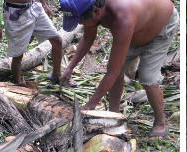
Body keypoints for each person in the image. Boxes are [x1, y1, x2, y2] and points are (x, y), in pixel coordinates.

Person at [58, 0, 177, 137]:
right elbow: (87, 38)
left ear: (97, 12)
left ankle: (160, 121)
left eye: (80, 20)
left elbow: (112, 73)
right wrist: (69, 68)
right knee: (117, 71)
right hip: (134, 29)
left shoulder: (122, 17)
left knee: (147, 77)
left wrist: (89, 107)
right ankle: (113, 114)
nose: (79, 23)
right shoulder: (90, 5)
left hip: (160, 27)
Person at [0, 0, 64, 86]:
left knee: (57, 40)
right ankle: (18, 84)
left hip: (34, 7)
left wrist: (43, 4)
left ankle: (56, 74)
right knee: (18, 54)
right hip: (15, 13)